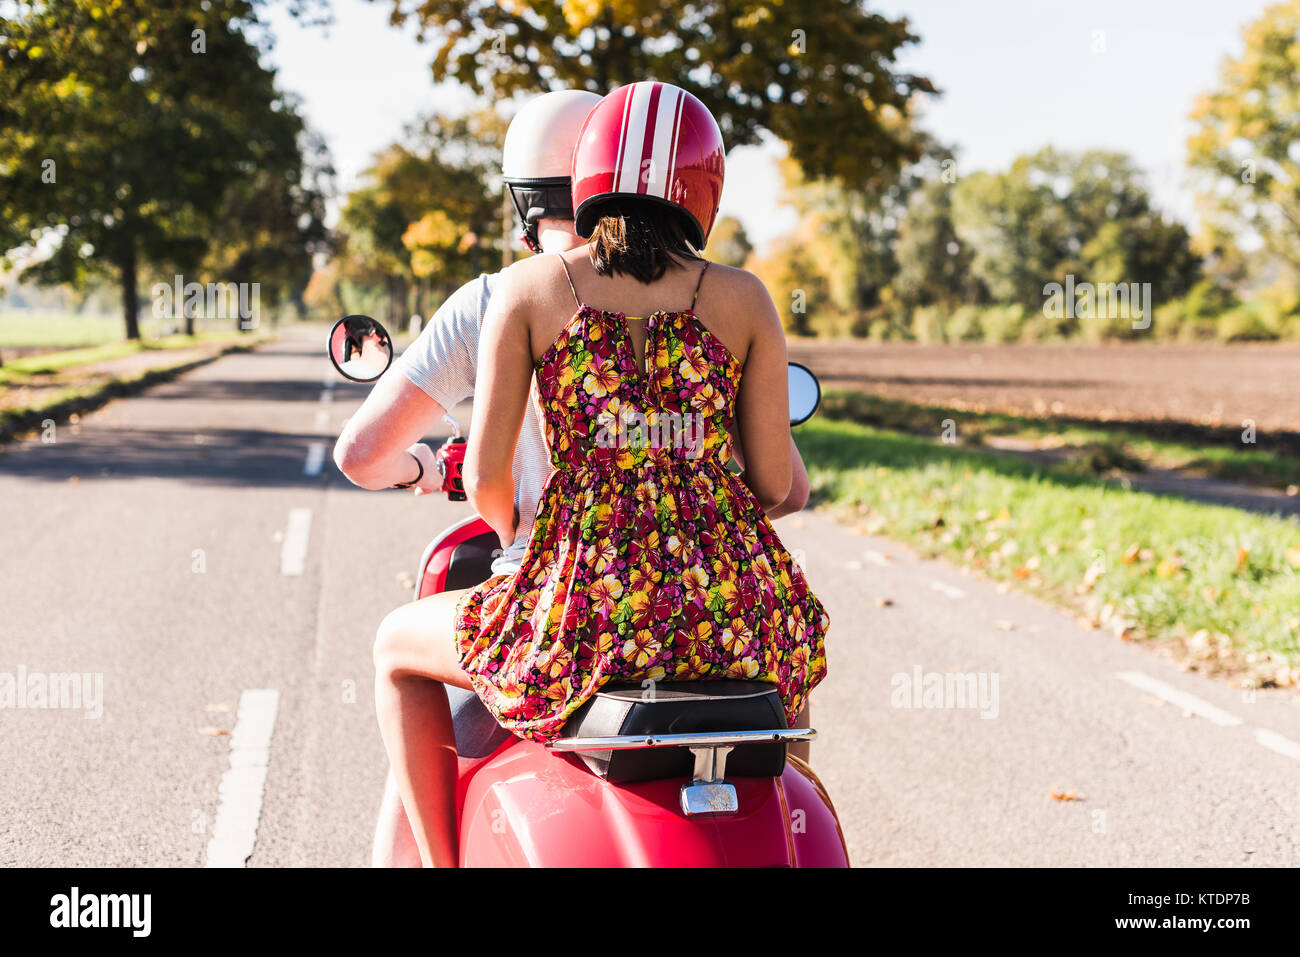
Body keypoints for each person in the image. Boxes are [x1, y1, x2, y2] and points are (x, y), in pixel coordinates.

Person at [336, 89, 810, 867]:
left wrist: (523, 528)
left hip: (578, 621)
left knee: (394, 644)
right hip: (730, 614)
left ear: (588, 176)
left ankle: (439, 860)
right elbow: (773, 486)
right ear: (706, 190)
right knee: (785, 665)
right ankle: (779, 816)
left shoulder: (527, 291)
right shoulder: (745, 297)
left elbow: (489, 481)